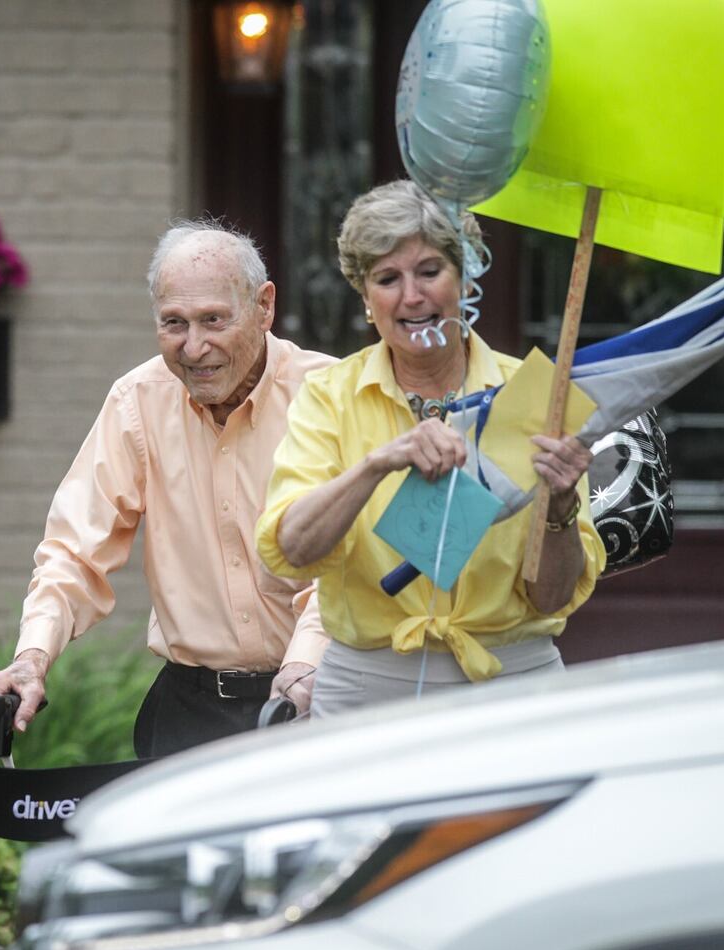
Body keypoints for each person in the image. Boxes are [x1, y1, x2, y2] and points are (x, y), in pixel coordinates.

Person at [0, 221, 335, 757]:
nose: (195, 347)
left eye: (214, 319)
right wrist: (32, 656)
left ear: (264, 307)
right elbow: (74, 552)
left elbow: (345, 568)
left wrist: (306, 659)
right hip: (188, 708)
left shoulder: (328, 396)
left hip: (318, 698)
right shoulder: (137, 401)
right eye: (174, 323)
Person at [255, 181, 606, 716]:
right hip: (366, 691)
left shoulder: (535, 396)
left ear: (464, 278)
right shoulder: (330, 396)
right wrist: (378, 463)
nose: (412, 297)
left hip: (514, 688)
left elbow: (552, 598)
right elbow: (295, 550)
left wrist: (560, 507)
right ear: (366, 297)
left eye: (429, 271)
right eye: (387, 279)